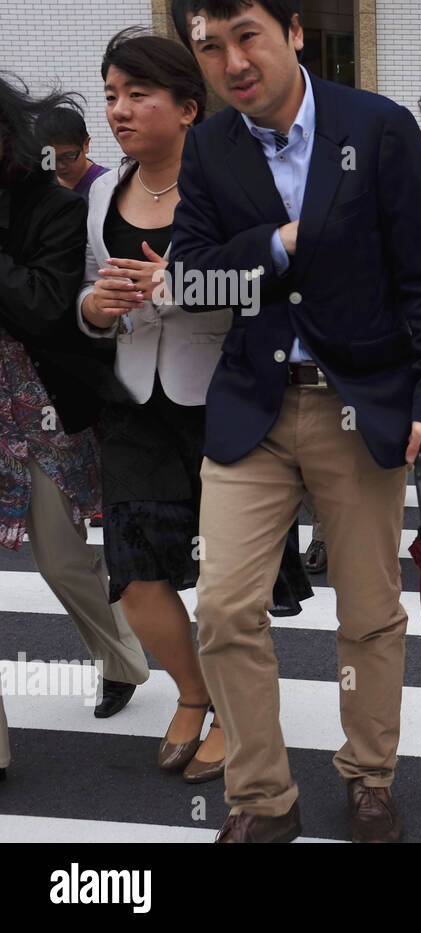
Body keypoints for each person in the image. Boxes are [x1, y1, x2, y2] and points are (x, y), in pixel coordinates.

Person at [170, 0, 421, 842]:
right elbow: (193, 279)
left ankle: (368, 777)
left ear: (295, 32)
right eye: (212, 46)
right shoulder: (210, 147)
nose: (231, 62)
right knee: (225, 609)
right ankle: (262, 797)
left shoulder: (375, 129)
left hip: (360, 401)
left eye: (247, 37)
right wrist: (274, 245)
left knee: (368, 610)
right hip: (252, 408)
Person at [76, 29, 235, 782]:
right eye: (112, 95)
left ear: (187, 108)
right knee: (136, 575)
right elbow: (87, 289)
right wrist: (96, 307)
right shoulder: (104, 191)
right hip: (134, 401)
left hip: (220, 403)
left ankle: (237, 711)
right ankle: (193, 692)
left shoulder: (227, 190)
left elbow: (265, 290)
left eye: (138, 94)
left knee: (226, 583)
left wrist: (185, 287)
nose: (120, 111)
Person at [0, 74, 149, 723]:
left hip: (36, 405)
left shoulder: (54, 208)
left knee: (62, 560)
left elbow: (42, 305)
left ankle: (121, 658)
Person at [34, 106, 109, 198]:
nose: (60, 166)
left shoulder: (110, 185)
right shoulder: (41, 186)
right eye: (50, 158)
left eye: (69, 156)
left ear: (86, 144)